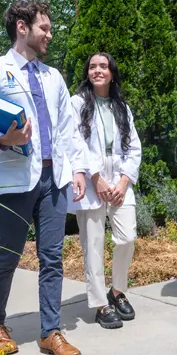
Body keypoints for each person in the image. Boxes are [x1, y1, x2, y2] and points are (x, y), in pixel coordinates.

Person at [0, 0, 87, 355]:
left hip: (54, 178)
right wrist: (2, 141)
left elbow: (67, 128)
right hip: (16, 178)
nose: (50, 34)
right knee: (9, 254)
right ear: (22, 27)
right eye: (44, 28)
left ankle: (51, 332)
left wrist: (76, 169)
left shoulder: (53, 76)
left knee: (52, 257)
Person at [68, 53, 142, 329]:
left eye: (103, 66)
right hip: (91, 181)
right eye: (92, 66)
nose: (97, 70)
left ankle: (118, 291)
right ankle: (101, 304)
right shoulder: (77, 104)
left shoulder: (121, 106)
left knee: (126, 238)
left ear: (112, 72)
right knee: (94, 244)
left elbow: (134, 147)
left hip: (119, 179)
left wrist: (123, 182)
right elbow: (76, 143)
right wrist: (96, 178)